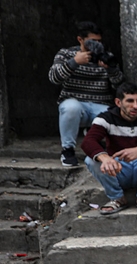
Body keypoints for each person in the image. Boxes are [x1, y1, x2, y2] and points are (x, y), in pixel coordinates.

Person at [81, 82, 137, 214]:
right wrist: (105, 158)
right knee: (91, 160)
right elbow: (88, 141)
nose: (135, 106)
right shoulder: (105, 118)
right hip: (118, 169)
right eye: (130, 101)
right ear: (118, 102)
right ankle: (117, 198)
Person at [50, 20, 125, 167]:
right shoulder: (66, 54)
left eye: (99, 41)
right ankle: (68, 150)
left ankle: (96, 138)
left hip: (100, 104)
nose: (96, 45)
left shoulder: (106, 55)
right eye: (92, 41)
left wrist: (110, 69)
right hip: (75, 103)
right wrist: (74, 62)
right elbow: (54, 78)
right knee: (71, 108)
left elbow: (119, 85)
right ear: (80, 39)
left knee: (115, 114)